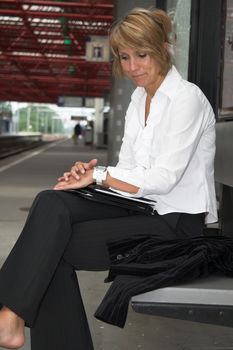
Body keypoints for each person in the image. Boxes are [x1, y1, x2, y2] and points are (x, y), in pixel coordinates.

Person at [0, 7, 217, 350]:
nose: (132, 67)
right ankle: (10, 319)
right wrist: (92, 178)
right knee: (50, 201)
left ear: (163, 48)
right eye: (125, 57)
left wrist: (100, 174)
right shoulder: (137, 99)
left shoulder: (186, 98)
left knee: (52, 248)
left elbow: (163, 179)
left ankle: (9, 316)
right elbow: (130, 168)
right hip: (141, 210)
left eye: (142, 55)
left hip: (176, 225)